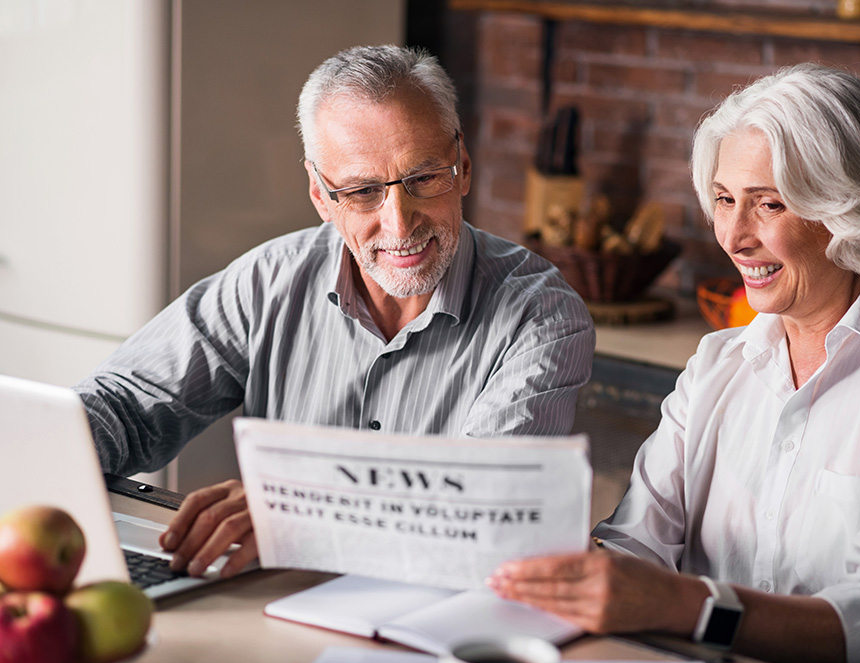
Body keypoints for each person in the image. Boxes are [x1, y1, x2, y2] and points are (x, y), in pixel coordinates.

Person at [487, 63, 860, 663]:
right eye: (725, 200)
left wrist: (688, 606)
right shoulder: (716, 363)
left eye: (769, 205)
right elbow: (636, 543)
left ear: (850, 210)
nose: (732, 236)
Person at [74, 45, 595, 580]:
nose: (399, 224)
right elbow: (122, 404)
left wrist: (297, 510)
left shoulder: (543, 315)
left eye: (423, 179)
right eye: (363, 191)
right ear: (321, 196)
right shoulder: (268, 280)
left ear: (462, 167)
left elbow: (486, 507)